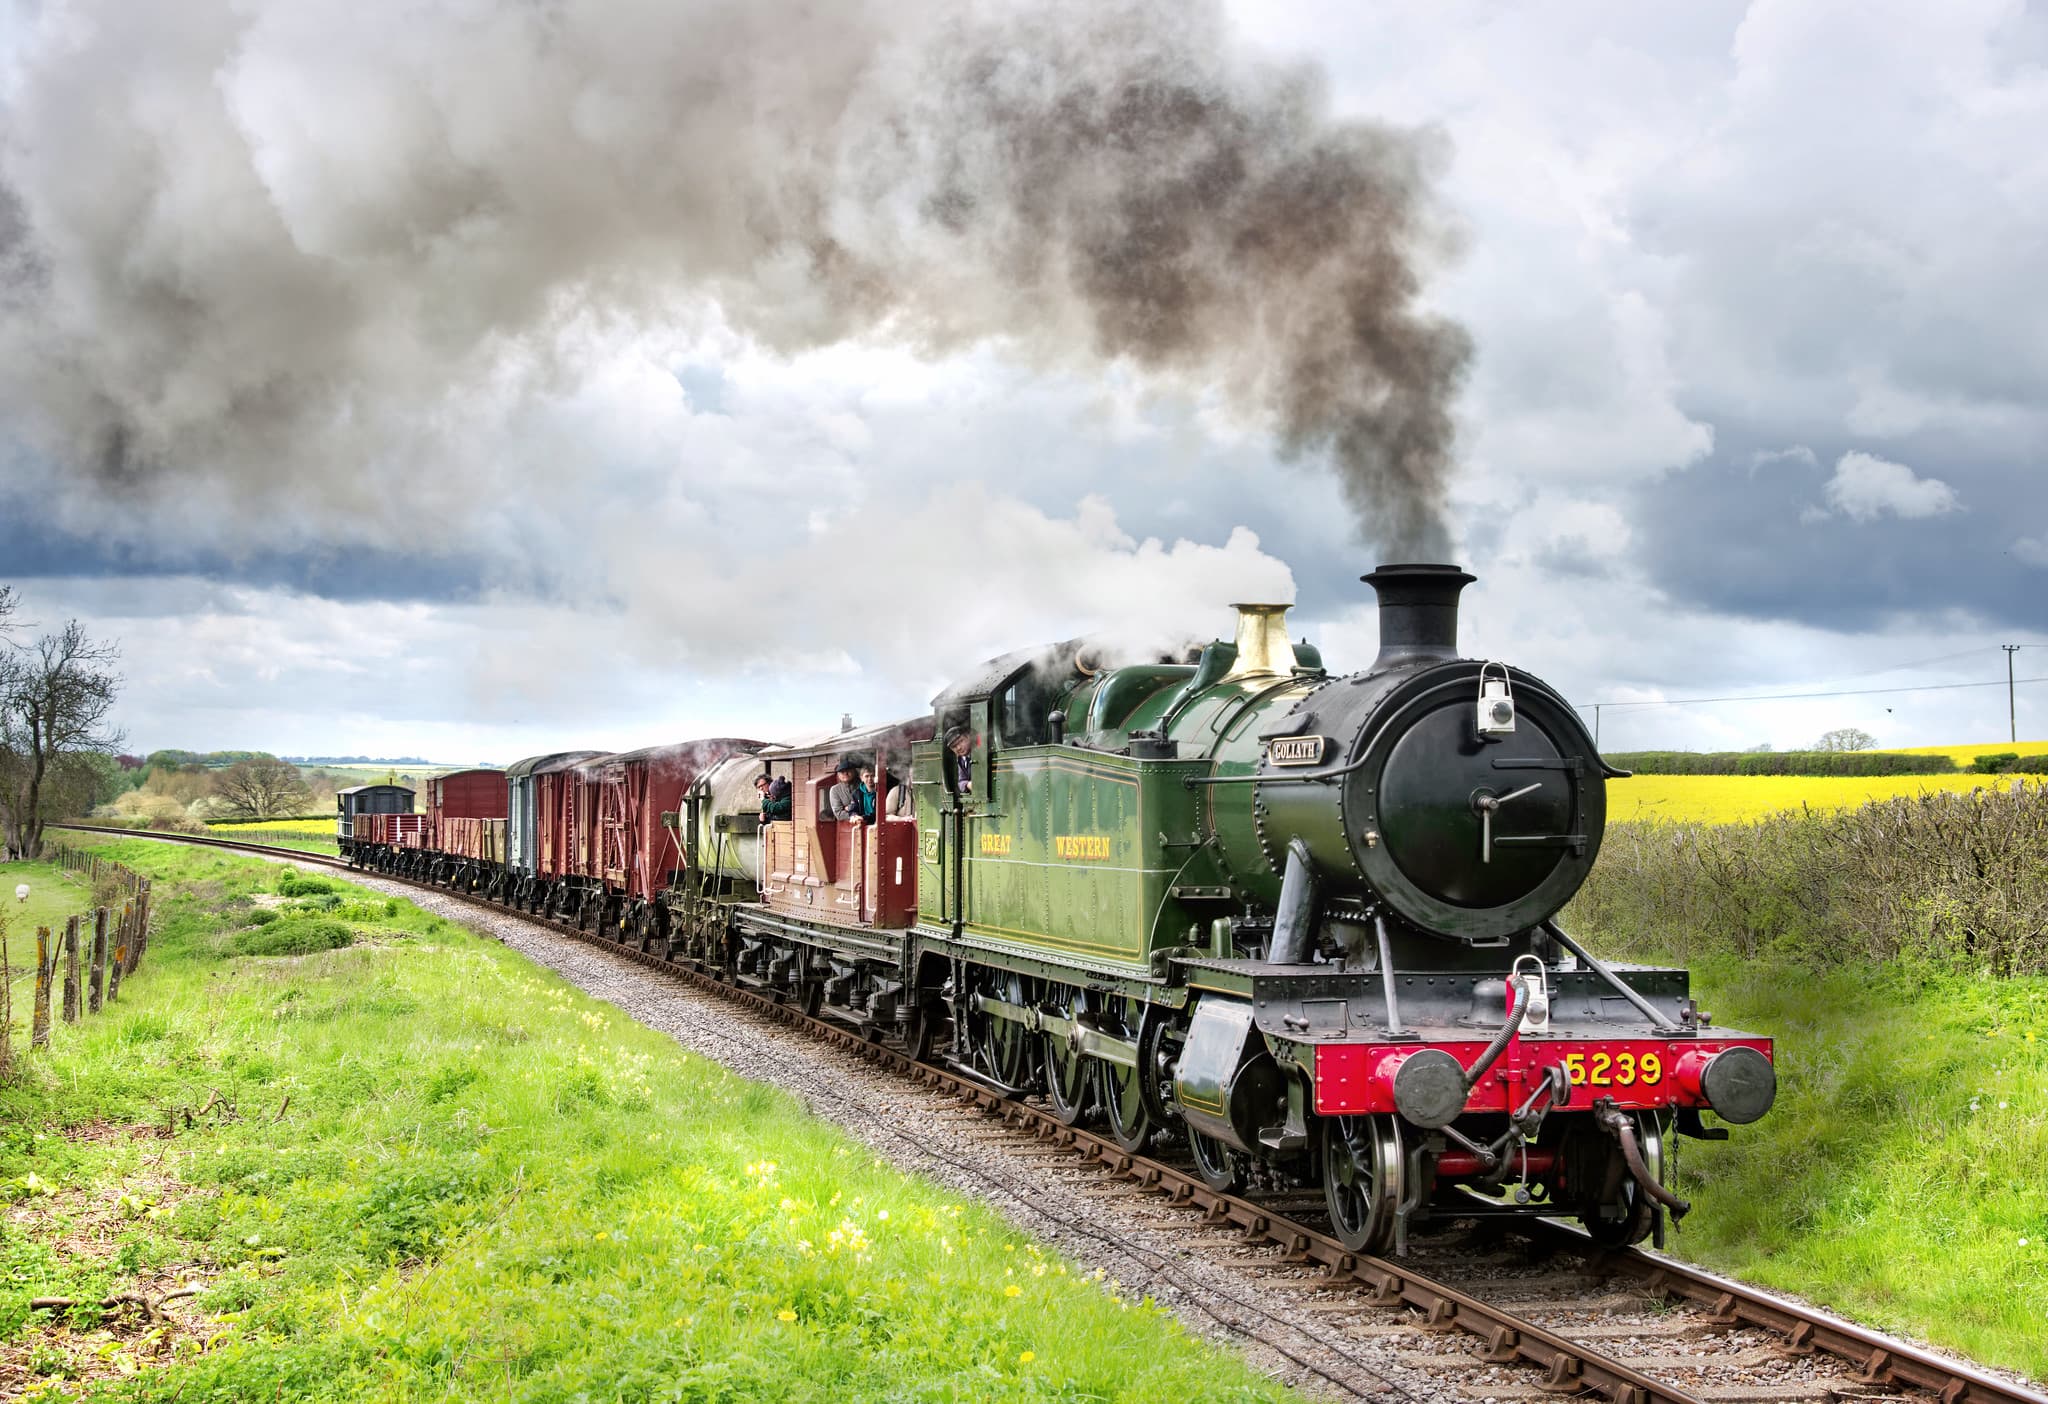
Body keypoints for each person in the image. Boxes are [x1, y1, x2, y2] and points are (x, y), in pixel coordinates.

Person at [942, 727, 975, 797]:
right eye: (954, 746)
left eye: (961, 741)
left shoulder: (979, 753)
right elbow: (961, 782)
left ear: (968, 737)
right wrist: (968, 785)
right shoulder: (961, 759)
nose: (958, 748)